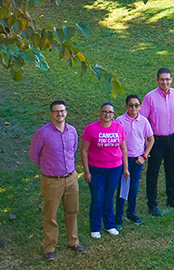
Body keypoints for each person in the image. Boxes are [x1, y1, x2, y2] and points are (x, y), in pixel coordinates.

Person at [30, 100, 84, 260]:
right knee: (51, 215)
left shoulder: (72, 131)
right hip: (52, 181)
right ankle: (50, 247)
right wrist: (49, 167)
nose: (59, 114)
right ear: (51, 114)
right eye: (56, 111)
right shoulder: (43, 133)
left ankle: (73, 241)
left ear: (66, 112)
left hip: (71, 178)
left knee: (72, 211)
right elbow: (34, 155)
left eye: (62, 111)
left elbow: (73, 150)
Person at [140, 68, 174, 215]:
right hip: (157, 140)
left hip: (173, 138)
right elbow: (143, 120)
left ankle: (171, 199)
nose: (165, 82)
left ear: (171, 79)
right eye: (162, 79)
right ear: (157, 80)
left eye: (167, 79)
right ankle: (152, 204)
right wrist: (146, 142)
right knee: (153, 172)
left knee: (171, 170)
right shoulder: (150, 97)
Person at [81, 102, 128, 239]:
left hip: (115, 169)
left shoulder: (119, 127)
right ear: (100, 113)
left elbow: (123, 148)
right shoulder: (91, 129)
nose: (107, 115)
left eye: (110, 112)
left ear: (114, 114)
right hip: (96, 170)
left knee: (109, 197)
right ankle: (95, 227)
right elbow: (84, 150)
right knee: (98, 198)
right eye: (105, 112)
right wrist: (87, 171)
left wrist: (125, 168)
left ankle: (109, 225)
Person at [114, 95, 153, 229]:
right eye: (131, 105)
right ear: (126, 106)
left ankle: (131, 213)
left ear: (140, 107)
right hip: (123, 159)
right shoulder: (119, 121)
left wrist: (144, 156)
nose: (133, 108)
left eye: (136, 105)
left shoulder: (144, 121)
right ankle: (118, 217)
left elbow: (151, 139)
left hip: (137, 159)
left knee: (134, 187)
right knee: (123, 187)